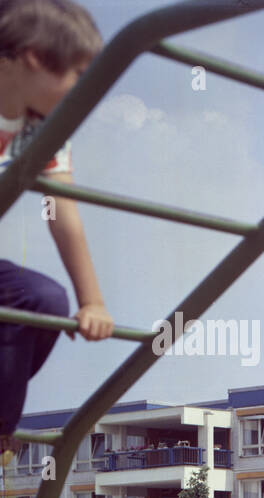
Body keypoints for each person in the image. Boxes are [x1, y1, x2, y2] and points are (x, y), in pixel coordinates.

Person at [0, 0, 113, 459]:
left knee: (45, 300)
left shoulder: (41, 128)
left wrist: (93, 301)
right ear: (33, 58)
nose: (85, 90)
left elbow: (60, 208)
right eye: (78, 74)